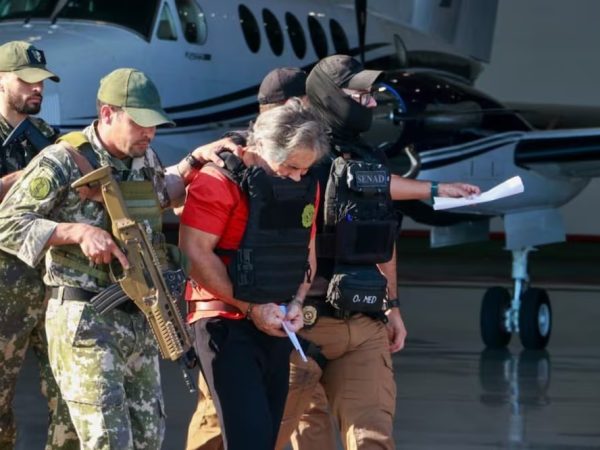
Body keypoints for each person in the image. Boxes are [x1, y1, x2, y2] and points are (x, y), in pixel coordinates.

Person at [0, 67, 235, 450]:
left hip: (139, 320)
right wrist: (75, 232)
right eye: (139, 123)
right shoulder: (63, 159)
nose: (149, 133)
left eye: (154, 125)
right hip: (85, 319)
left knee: (148, 437)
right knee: (108, 441)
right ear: (107, 113)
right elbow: (7, 221)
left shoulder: (145, 159)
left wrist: (194, 162)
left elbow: (156, 196)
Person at [274, 55, 481, 450]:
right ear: (331, 95)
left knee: (373, 437)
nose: (371, 103)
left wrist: (393, 307)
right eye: (361, 94)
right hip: (302, 324)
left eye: (372, 94)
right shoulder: (294, 154)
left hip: (364, 320)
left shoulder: (370, 157)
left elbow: (382, 237)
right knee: (302, 437)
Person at [184, 66, 334, 450]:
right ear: (263, 149)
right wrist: (250, 308)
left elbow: (305, 250)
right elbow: (195, 254)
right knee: (247, 438)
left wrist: (297, 302)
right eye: (291, 168)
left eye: (305, 169)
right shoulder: (218, 180)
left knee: (265, 439)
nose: (298, 177)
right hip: (224, 322)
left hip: (277, 322)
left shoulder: (305, 183)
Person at [0, 40, 79, 450]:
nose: (38, 88)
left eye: (42, 81)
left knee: (70, 399)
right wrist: (28, 178)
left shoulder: (47, 138)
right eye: (27, 80)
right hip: (4, 292)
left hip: (51, 287)